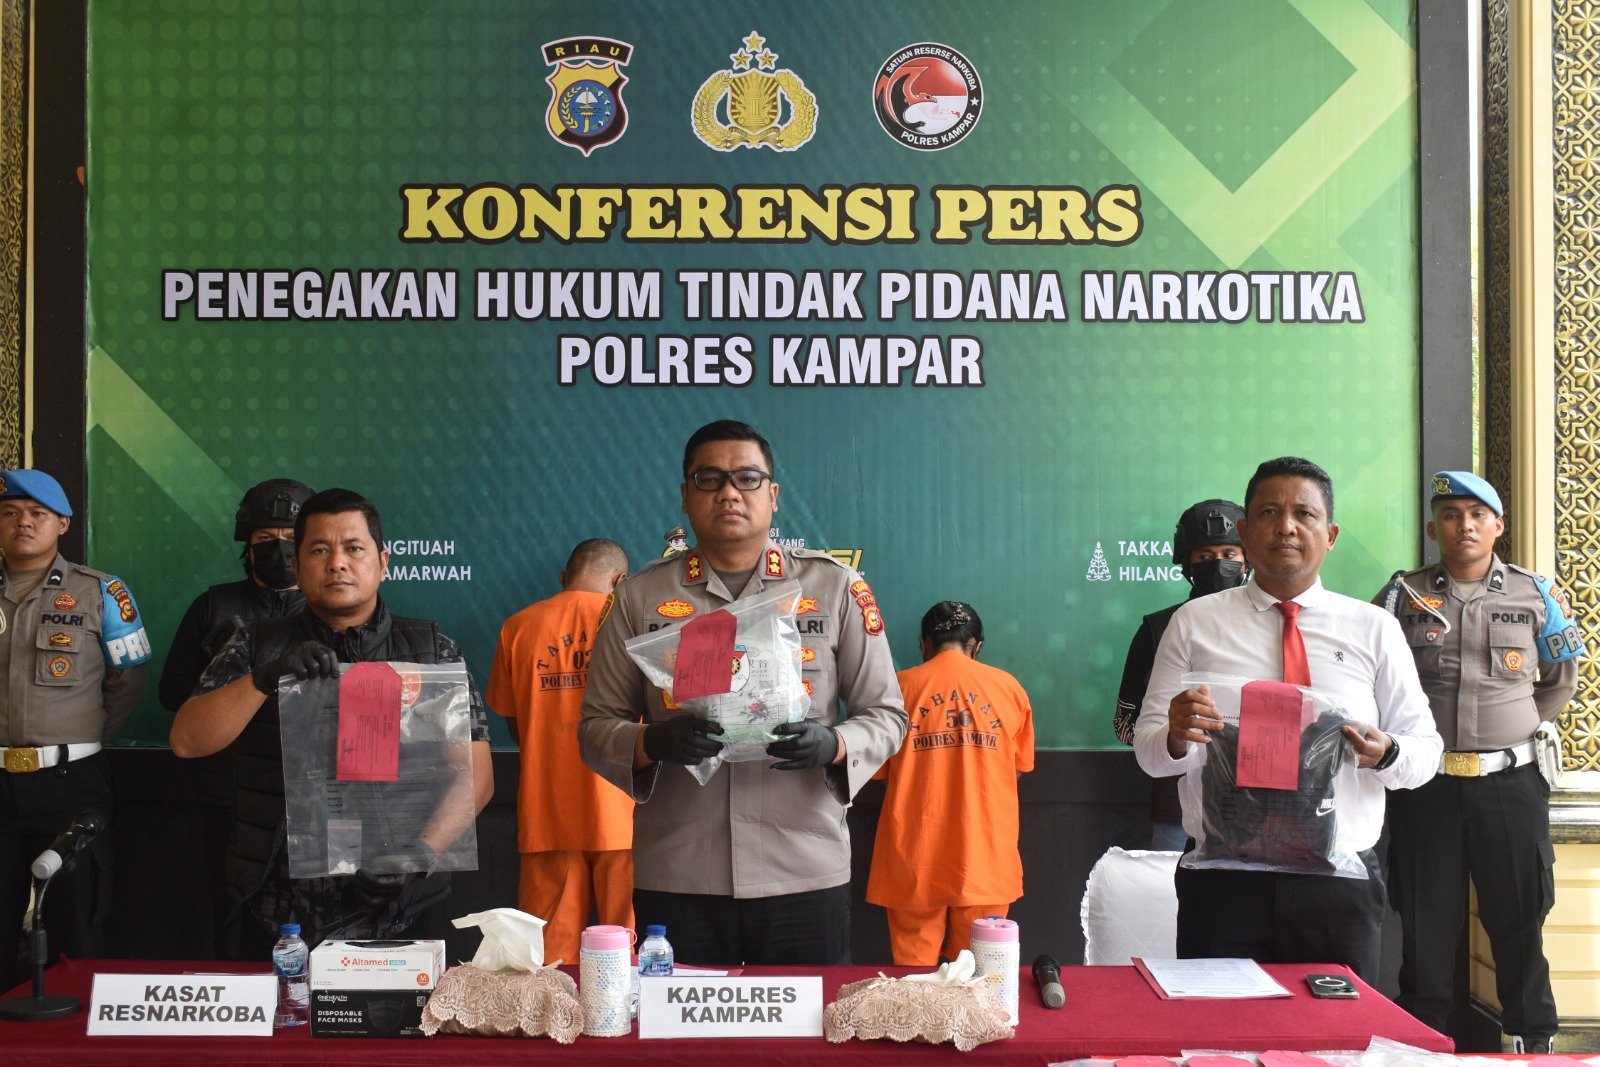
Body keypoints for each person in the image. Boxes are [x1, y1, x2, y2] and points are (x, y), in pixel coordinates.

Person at [578, 419, 907, 966]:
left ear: (772, 495)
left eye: (747, 478)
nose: (729, 492)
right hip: (679, 875)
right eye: (708, 479)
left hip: (803, 871)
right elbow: (594, 729)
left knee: (806, 1023)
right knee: (681, 1024)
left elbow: (887, 715)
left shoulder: (834, 588)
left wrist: (835, 745)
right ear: (685, 497)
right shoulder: (639, 598)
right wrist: (651, 743)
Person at [1133, 456, 1442, 981]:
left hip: (1338, 881)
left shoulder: (1373, 628)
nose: (1287, 527)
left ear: (1331, 535)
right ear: (1245, 531)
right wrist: (1176, 737)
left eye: (1304, 514)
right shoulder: (1194, 623)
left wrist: (1386, 752)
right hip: (1222, 878)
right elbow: (1149, 754)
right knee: (1219, 1027)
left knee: (1336, 1029)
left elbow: (1425, 751)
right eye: (1269, 513)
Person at [170, 488, 493, 955]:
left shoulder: (431, 652)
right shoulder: (255, 646)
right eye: (319, 550)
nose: (337, 563)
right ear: (297, 567)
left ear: (383, 562)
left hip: (401, 904)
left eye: (354, 548)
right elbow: (187, 740)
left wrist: (416, 856)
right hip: (276, 910)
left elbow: (474, 776)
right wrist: (265, 676)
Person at [1380, 471, 1582, 1054]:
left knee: (1519, 920)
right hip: (1427, 786)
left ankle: (1533, 1041)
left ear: (1499, 526)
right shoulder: (1401, 596)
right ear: (1433, 528)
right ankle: (1423, 1049)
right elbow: (1375, 676)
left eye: (1476, 515)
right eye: (1450, 515)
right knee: (1425, 925)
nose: (1463, 525)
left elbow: (1561, 679)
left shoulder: (1535, 594)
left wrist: (1510, 727)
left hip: (1509, 785)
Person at [0, 469, 151, 989]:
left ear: (63, 523)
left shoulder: (101, 591)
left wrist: (83, 739)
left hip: (71, 783)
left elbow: (129, 679)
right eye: (10, 512)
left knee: (76, 926)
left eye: (37, 513)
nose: (23, 522)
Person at [158, 478, 312, 955]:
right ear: (247, 546)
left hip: (305, 794)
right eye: (265, 538)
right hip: (225, 790)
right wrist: (234, 686)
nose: (278, 549)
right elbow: (173, 694)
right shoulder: (213, 606)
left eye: (290, 538)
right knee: (227, 914)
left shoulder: (326, 608)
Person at [486, 538, 633, 963]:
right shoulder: (635, 624)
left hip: (548, 812)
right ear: (621, 581)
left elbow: (515, 725)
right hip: (623, 814)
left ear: (564, 578)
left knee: (550, 961)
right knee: (629, 953)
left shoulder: (518, 627)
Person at [866, 601, 1034, 965]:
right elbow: (1017, 770)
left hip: (913, 857)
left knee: (914, 975)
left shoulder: (898, 688)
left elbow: (878, 771)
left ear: (924, 643)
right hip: (985, 857)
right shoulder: (1009, 689)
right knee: (978, 977)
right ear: (976, 646)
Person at [1114, 499, 1249, 850]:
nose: (1218, 564)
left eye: (1229, 554)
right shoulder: (1159, 628)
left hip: (1254, 804)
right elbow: (1123, 723)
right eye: (1205, 556)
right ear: (1188, 564)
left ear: (1247, 560)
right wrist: (1173, 734)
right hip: (1175, 809)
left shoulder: (1272, 623)